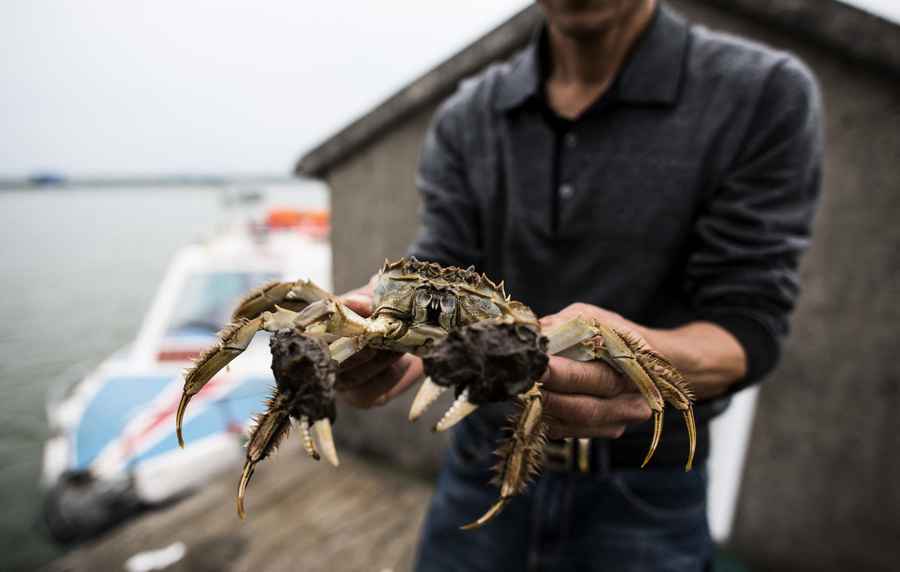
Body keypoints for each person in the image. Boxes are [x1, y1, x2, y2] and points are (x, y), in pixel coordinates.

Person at [338, 0, 823, 570]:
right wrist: (381, 344)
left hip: (647, 490)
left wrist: (639, 357)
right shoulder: (468, 115)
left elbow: (749, 323)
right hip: (480, 469)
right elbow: (439, 272)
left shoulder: (762, 94)